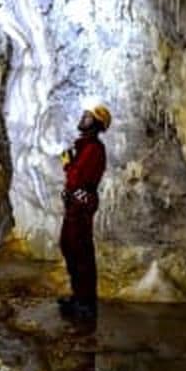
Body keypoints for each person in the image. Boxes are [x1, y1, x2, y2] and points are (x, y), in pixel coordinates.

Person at [58, 105, 111, 318]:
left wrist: (68, 164)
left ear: (97, 124)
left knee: (80, 252)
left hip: (81, 204)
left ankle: (86, 303)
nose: (83, 118)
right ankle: (79, 296)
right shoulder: (85, 146)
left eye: (88, 117)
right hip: (76, 204)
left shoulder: (93, 148)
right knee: (70, 247)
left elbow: (76, 178)